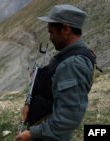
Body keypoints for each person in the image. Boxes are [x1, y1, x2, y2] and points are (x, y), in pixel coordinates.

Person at [15, 4, 97, 141]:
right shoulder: (68, 56)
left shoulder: (74, 64)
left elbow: (67, 120)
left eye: (51, 32)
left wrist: (32, 134)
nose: (50, 38)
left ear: (66, 29)